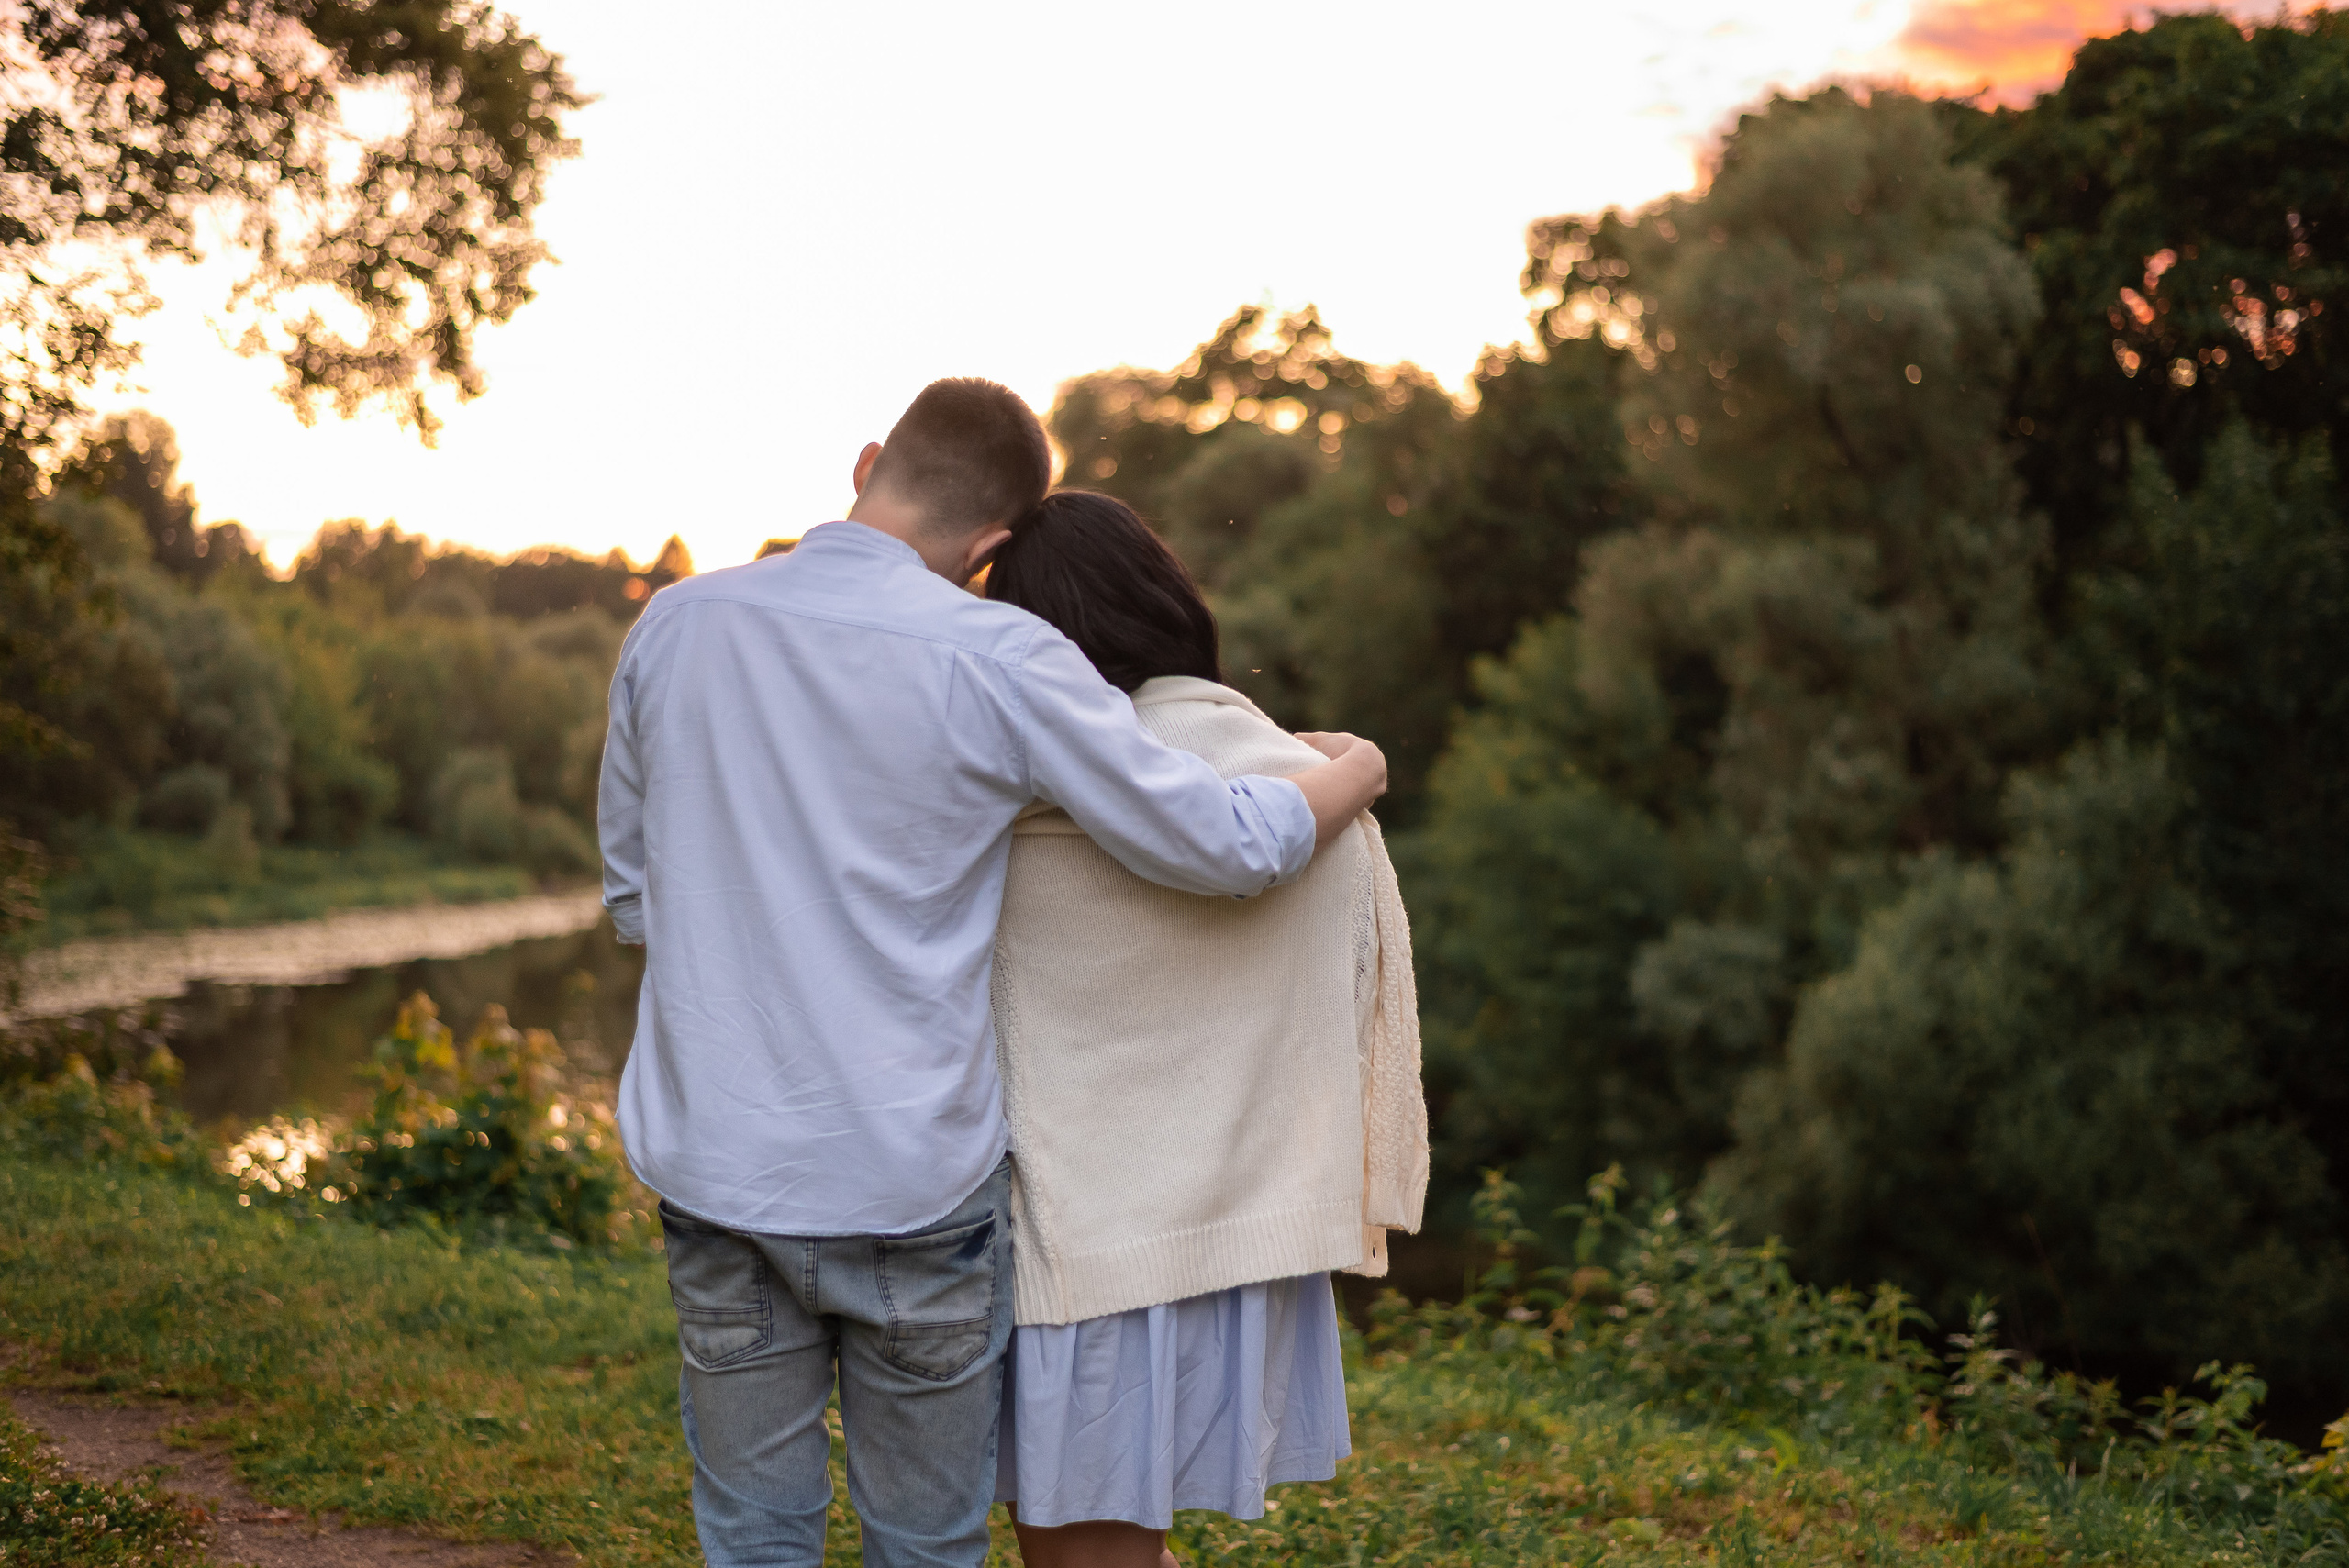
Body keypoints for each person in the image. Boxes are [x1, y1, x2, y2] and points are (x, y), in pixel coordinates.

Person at [596, 379, 1388, 1568]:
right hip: (910, 1184)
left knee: (753, 1538)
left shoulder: (674, 625)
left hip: (719, 1167)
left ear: (869, 459)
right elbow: (1227, 844)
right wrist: (1356, 767)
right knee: (926, 1546)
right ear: (995, 548)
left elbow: (634, 898)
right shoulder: (1003, 656)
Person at [982, 490, 1429, 1568]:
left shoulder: (1009, 776)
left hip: (1078, 1244)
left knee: (1081, 1552)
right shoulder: (1281, 768)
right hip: (1234, 1227)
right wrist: (1356, 759)